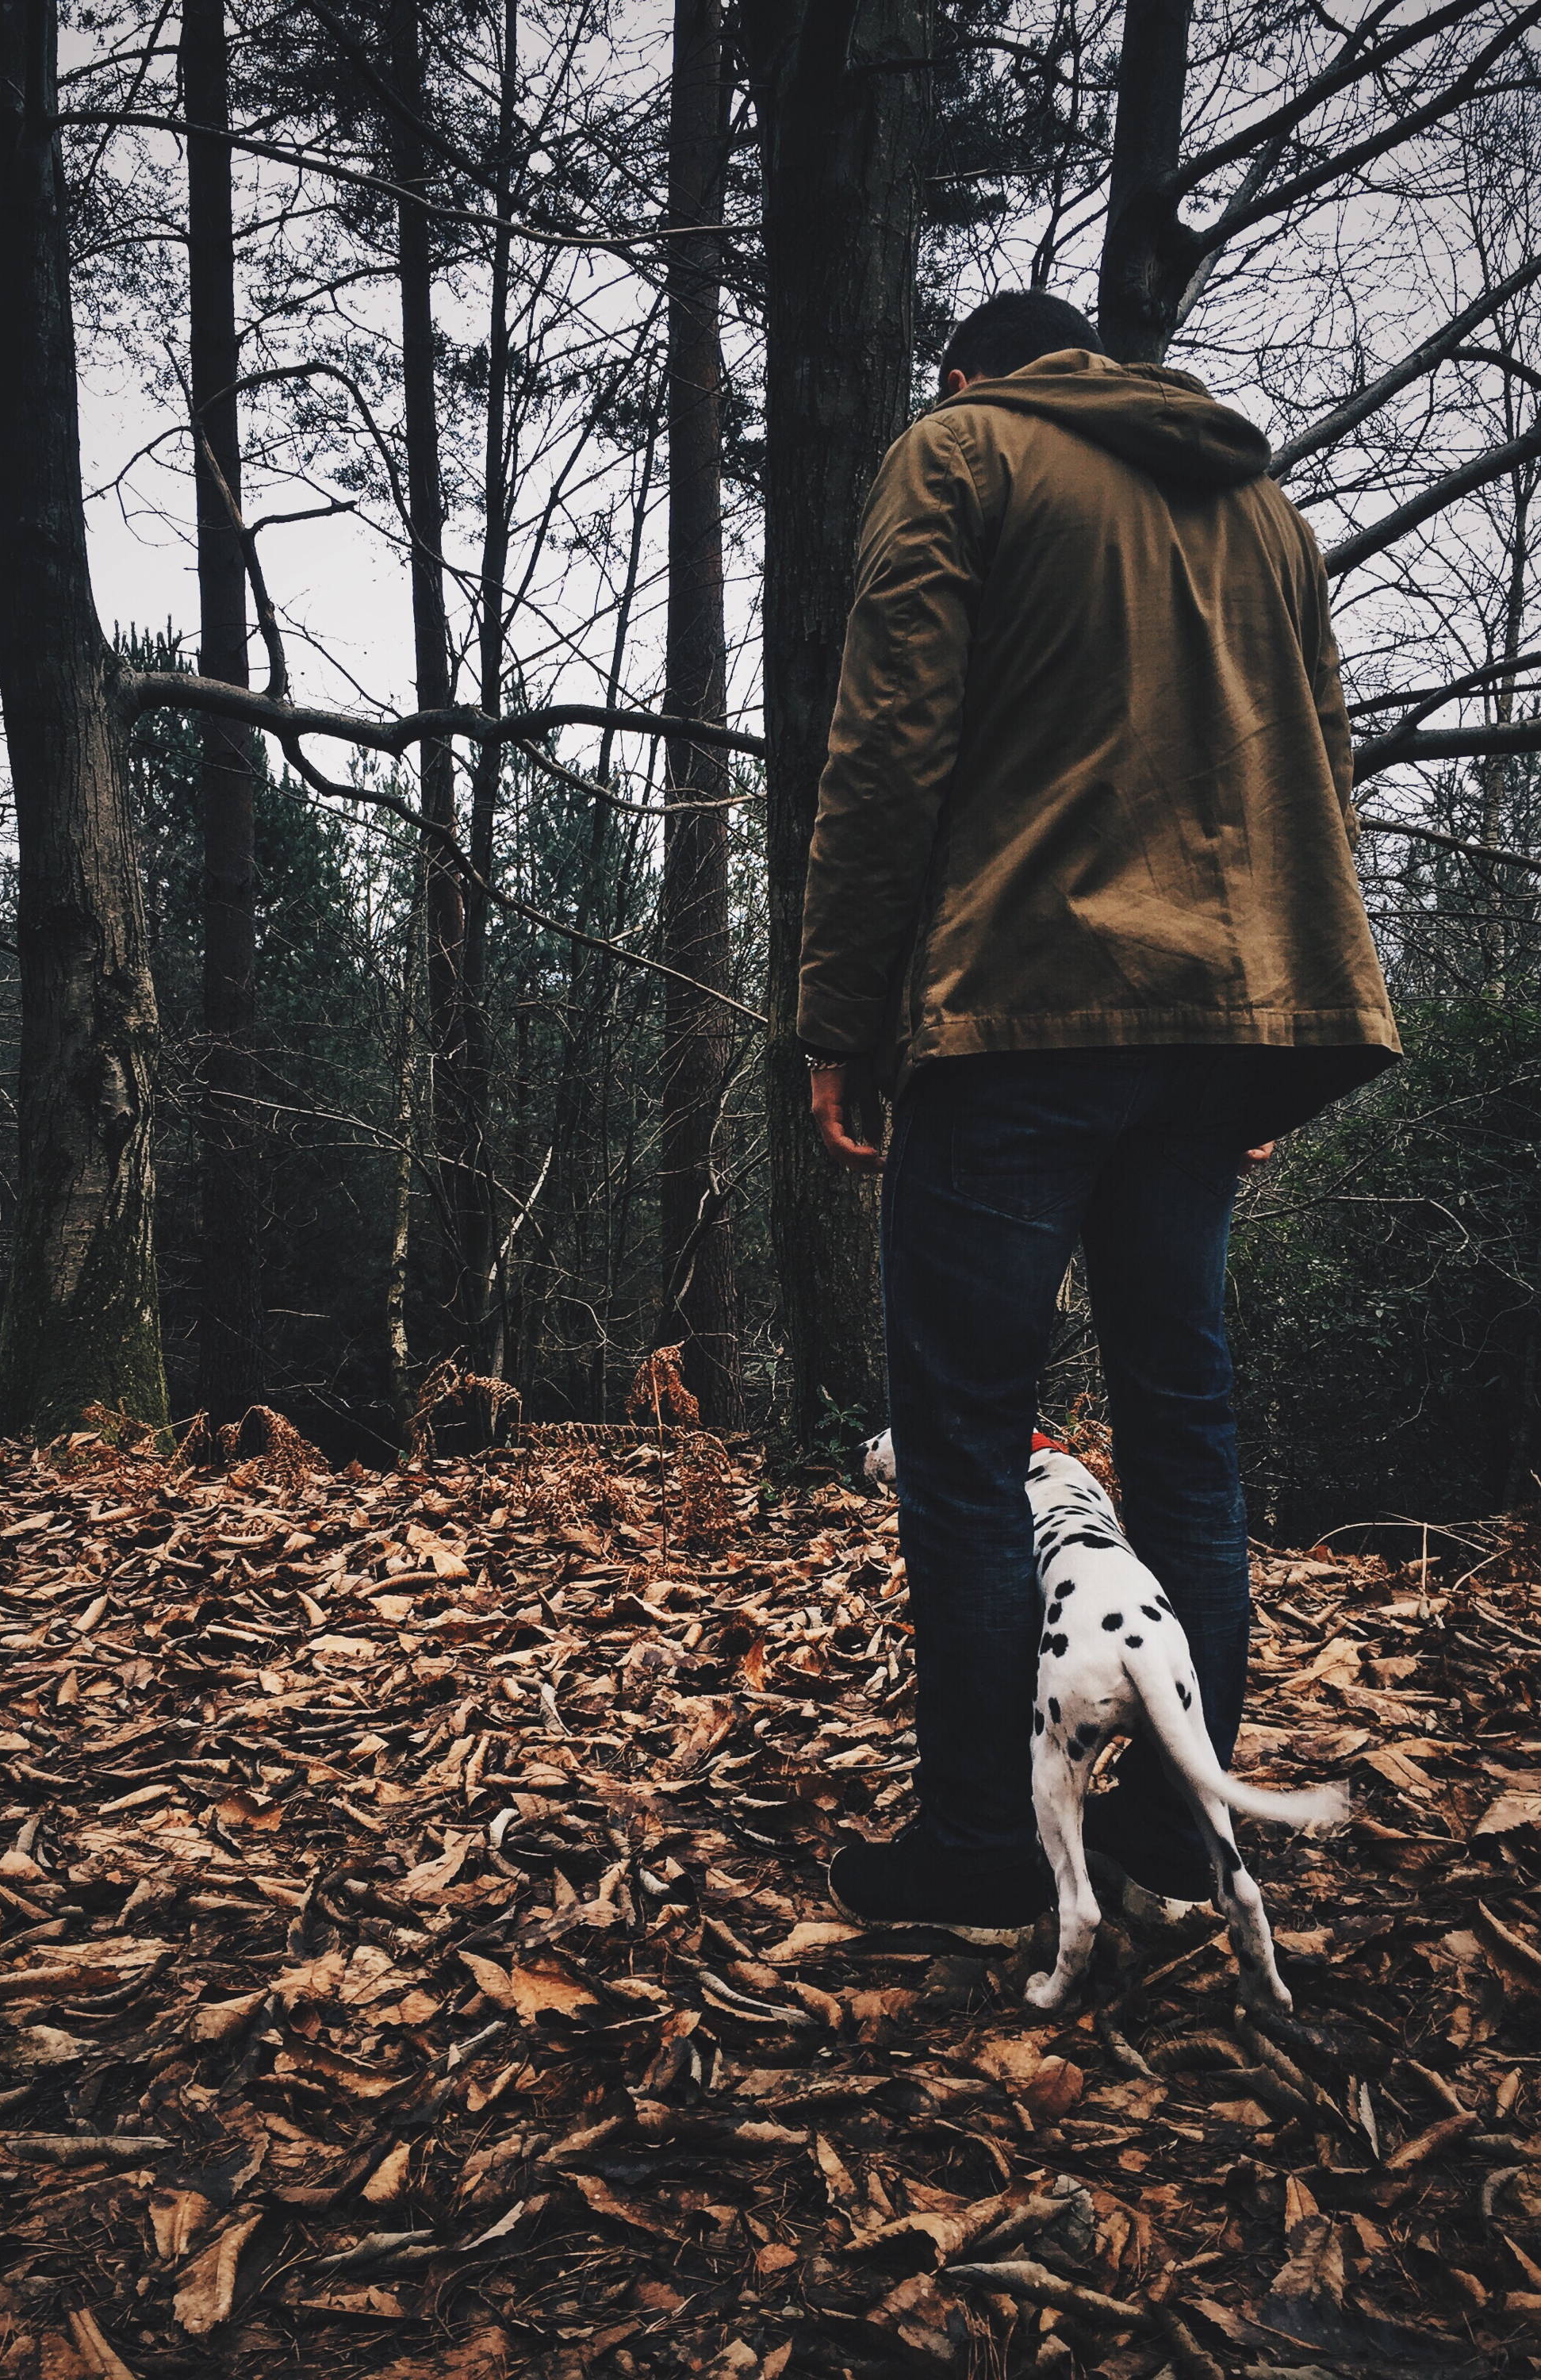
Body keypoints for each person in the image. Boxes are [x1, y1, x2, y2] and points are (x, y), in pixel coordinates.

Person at [797, 289, 1399, 1935]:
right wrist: (1265, 1038)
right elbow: (1316, 759)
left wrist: (841, 1014)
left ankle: (989, 1848)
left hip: (1024, 1008)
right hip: (1220, 1019)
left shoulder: (961, 452)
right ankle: (1176, 1838)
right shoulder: (1256, 503)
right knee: (1187, 1435)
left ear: (970, 371)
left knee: (969, 1443)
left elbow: (891, 744)